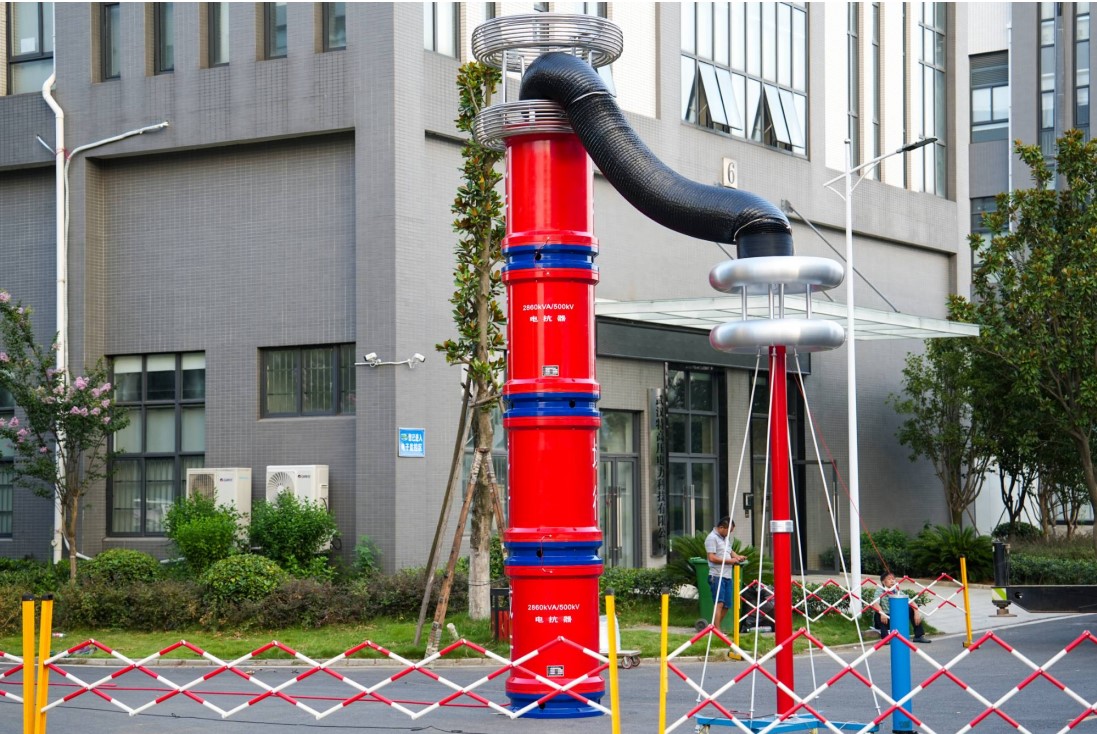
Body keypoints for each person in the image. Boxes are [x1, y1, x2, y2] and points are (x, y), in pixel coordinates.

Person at [704, 516, 747, 631]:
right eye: (729, 531)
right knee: (719, 603)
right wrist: (730, 561)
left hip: (727, 575)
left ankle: (714, 627)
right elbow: (711, 558)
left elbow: (730, 551)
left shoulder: (725, 538)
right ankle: (717, 630)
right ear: (721, 527)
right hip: (717, 576)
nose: (729, 534)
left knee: (727, 605)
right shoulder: (711, 538)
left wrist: (738, 557)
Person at [872, 571, 931, 643]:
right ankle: (885, 638)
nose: (892, 581)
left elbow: (910, 601)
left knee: (912, 609)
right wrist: (882, 613)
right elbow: (875, 604)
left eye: (893, 579)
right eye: (889, 579)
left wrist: (916, 612)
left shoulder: (897, 591)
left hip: (896, 617)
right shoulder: (880, 591)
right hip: (885, 618)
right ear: (883, 582)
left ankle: (919, 636)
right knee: (878, 613)